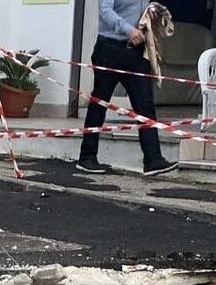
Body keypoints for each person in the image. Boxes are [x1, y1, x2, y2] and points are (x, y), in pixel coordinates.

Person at [76, 0, 178, 176]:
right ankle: (87, 158)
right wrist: (128, 29)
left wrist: (151, 13)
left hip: (136, 52)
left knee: (145, 103)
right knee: (99, 102)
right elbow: (105, 11)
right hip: (110, 48)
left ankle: (153, 160)